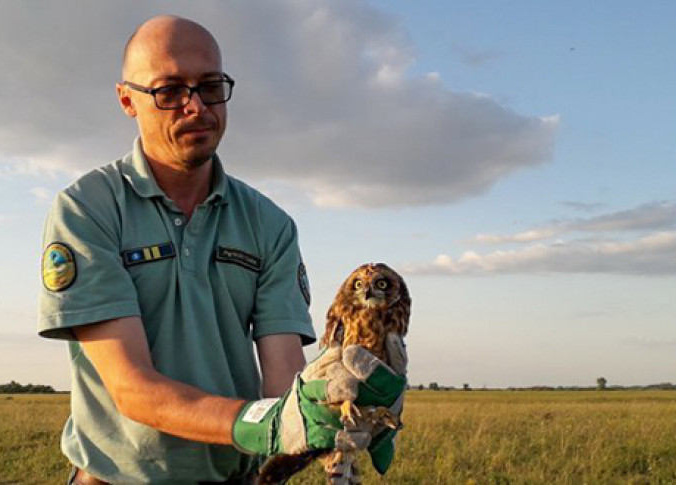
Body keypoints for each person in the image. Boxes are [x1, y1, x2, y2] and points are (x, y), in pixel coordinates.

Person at [38, 15, 404, 484]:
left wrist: (338, 406)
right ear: (127, 99)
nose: (196, 106)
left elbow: (283, 382)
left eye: (210, 86)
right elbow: (133, 390)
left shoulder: (268, 224)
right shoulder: (88, 209)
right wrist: (263, 425)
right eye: (169, 91)